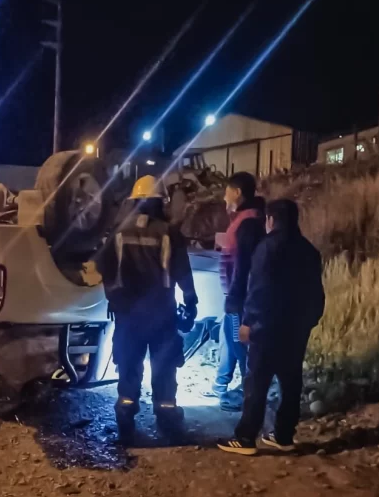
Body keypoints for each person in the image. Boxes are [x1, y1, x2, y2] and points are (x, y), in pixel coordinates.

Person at [218, 199, 325, 455]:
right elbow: (316, 293)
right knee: (291, 382)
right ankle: (284, 435)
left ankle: (245, 438)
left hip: (267, 326)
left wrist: (248, 322)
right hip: (297, 327)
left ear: (270, 220)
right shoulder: (309, 250)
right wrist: (310, 320)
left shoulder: (266, 247)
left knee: (257, 381)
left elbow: (259, 289)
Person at [97, 175, 198, 445]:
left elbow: (104, 268)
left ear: (134, 201)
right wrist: (191, 302)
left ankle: (125, 417)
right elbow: (182, 271)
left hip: (128, 314)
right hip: (161, 313)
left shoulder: (119, 232)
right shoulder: (169, 232)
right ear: (160, 202)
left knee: (129, 365)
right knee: (164, 367)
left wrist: (114, 299)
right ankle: (167, 420)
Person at [205, 172, 265, 410]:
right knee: (227, 337)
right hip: (236, 294)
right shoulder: (244, 219)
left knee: (238, 342)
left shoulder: (248, 222)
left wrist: (234, 297)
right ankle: (221, 385)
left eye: (227, 191)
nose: (224, 197)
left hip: (239, 297)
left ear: (237, 192)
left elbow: (243, 265)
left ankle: (247, 394)